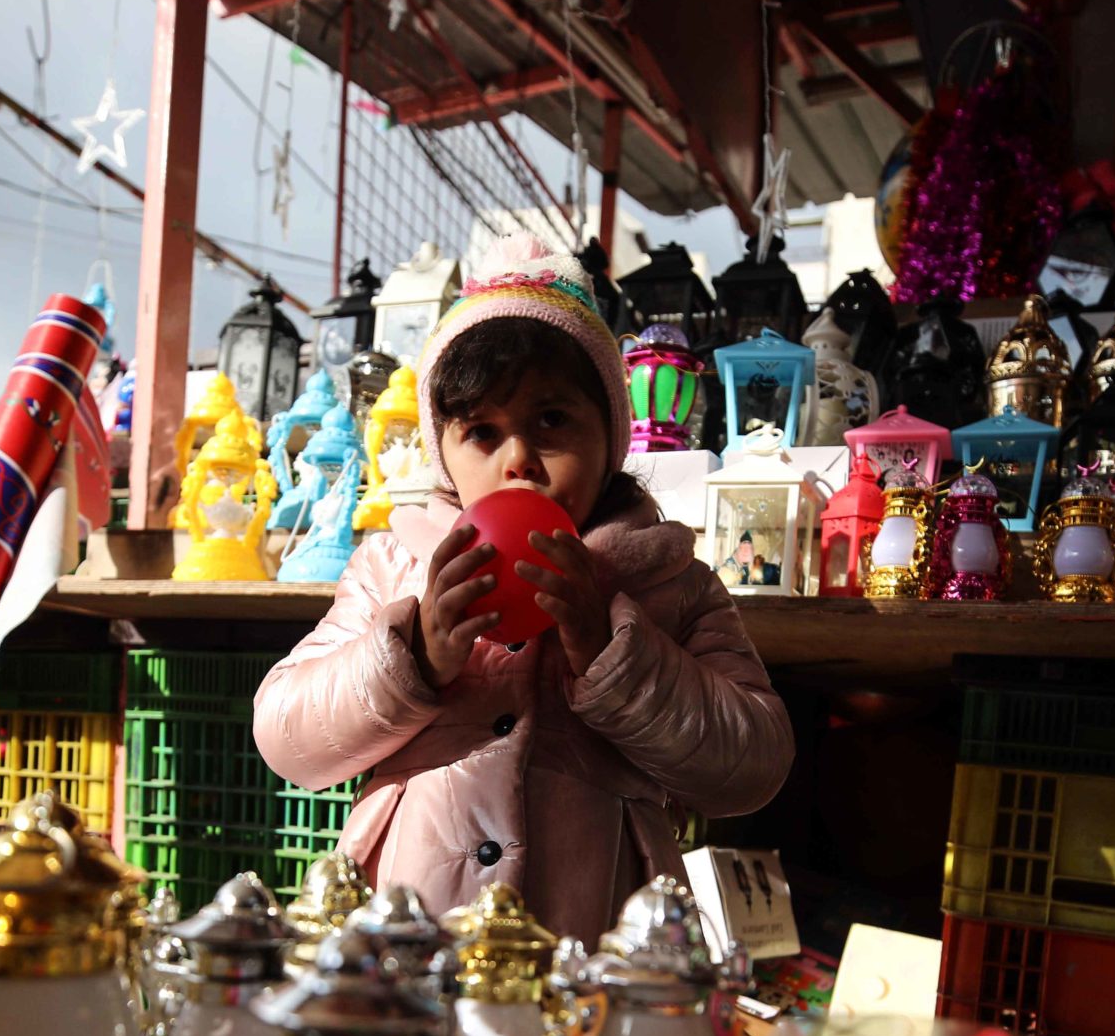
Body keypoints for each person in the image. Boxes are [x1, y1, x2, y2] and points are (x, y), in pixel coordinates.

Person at [254, 239, 793, 942]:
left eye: (552, 421)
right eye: (482, 431)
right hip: (409, 942)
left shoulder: (669, 581)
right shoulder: (395, 566)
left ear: (611, 437)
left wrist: (613, 656)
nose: (519, 461)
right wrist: (414, 656)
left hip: (591, 942)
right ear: (443, 453)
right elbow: (285, 737)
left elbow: (754, 765)